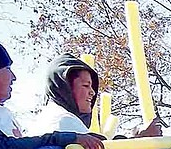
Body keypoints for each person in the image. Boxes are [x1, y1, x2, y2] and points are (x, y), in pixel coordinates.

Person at [30, 53, 162, 137]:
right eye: (86, 85)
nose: (92, 92)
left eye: (92, 86)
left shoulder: (55, 118)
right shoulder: (62, 121)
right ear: (65, 88)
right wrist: (141, 139)